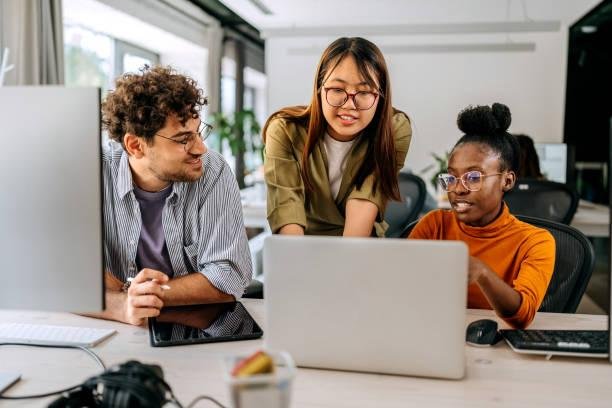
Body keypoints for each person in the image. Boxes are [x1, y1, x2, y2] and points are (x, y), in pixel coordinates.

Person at [87, 65, 252, 326]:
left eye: (199, 131)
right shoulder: (91, 173)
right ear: (135, 145)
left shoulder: (214, 171)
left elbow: (228, 276)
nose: (201, 148)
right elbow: (60, 277)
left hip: (195, 330)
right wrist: (121, 307)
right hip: (111, 328)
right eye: (183, 138)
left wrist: (137, 295)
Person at [408, 103, 555, 328]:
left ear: (507, 180)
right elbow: (402, 286)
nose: (457, 189)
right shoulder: (435, 225)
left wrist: (482, 273)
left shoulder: (535, 242)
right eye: (451, 177)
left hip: (500, 346)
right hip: (433, 333)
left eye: (474, 177)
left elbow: (522, 316)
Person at [263, 37, 412, 237]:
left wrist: (342, 265)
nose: (349, 104)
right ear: (319, 88)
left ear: (381, 96)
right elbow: (286, 208)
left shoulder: (394, 129)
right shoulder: (285, 130)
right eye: (337, 89)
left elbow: (365, 199)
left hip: (359, 248)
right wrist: (297, 263)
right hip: (304, 249)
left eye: (364, 92)